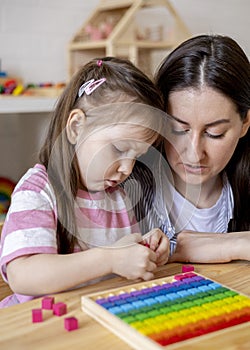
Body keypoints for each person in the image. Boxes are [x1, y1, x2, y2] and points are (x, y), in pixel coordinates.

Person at [0, 57, 170, 308]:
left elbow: (122, 258)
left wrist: (144, 249)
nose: (127, 168)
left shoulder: (118, 198)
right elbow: (23, 275)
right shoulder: (38, 191)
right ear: (76, 127)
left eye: (137, 156)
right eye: (119, 148)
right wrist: (110, 259)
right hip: (42, 326)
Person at [126, 34, 250, 263]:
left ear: (245, 123)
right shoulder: (121, 185)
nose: (194, 153)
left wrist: (231, 245)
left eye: (215, 134)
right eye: (177, 129)